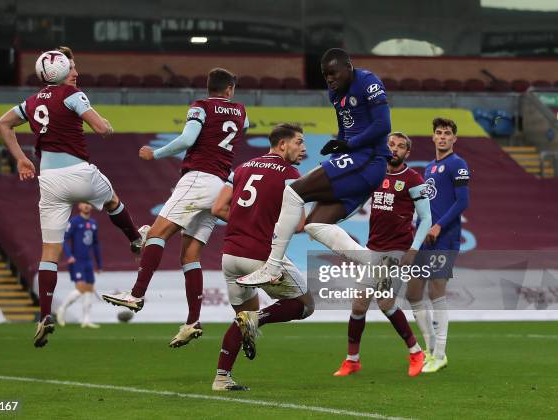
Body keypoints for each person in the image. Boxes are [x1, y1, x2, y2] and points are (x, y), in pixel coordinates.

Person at [0, 46, 147, 348]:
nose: (76, 73)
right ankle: (134, 239)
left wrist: (21, 159)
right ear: (63, 70)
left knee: (49, 253)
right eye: (72, 68)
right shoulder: (73, 95)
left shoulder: (32, 100)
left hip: (49, 181)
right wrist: (107, 126)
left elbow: (2, 123)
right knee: (114, 200)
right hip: (79, 173)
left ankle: (44, 316)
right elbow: (102, 128)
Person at [102, 68, 249, 348]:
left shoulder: (201, 106)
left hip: (197, 178)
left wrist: (154, 153)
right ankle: (193, 321)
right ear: (230, 89)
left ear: (209, 87)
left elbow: (187, 139)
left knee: (156, 234)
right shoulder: (242, 112)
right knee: (190, 255)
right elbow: (237, 131)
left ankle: (136, 294)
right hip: (220, 185)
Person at [237, 47, 392, 287]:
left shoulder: (368, 82)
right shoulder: (334, 93)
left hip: (368, 160)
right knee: (314, 224)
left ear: (348, 67)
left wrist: (349, 144)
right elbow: (345, 128)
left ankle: (272, 267)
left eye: (333, 73)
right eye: (325, 75)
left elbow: (383, 125)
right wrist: (340, 147)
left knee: (293, 192)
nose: (329, 79)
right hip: (357, 161)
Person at [210, 124, 313, 391]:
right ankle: (259, 318)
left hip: (230, 255)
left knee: (243, 315)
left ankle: (222, 378)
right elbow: (299, 224)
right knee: (305, 304)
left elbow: (217, 208)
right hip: (261, 255)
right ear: (282, 145)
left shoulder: (242, 168)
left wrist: (246, 223)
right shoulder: (291, 174)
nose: (304, 149)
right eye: (299, 142)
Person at [332, 132, 432, 378]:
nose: (394, 149)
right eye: (391, 145)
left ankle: (416, 352)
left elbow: (427, 218)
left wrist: (413, 249)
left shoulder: (413, 179)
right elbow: (357, 201)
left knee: (385, 302)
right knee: (358, 305)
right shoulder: (375, 174)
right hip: (374, 248)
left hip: (396, 250)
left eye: (400, 147)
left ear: (407, 153)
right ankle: (352, 360)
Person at [406, 118, 470, 373]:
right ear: (433, 138)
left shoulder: (458, 164)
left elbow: (462, 201)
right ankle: (430, 348)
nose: (442, 137)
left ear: (454, 139)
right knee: (412, 292)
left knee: (436, 291)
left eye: (447, 134)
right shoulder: (431, 167)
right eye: (438, 133)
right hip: (425, 237)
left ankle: (440, 354)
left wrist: (439, 225)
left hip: (445, 236)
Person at [56, 202, 103, 329]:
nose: (87, 206)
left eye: (89, 203)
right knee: (81, 288)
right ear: (79, 206)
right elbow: (64, 238)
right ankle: (62, 309)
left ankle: (86, 319)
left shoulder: (93, 223)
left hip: (88, 261)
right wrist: (69, 255)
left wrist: (99, 264)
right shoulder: (75, 221)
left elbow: (96, 244)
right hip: (77, 261)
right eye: (84, 203)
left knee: (89, 289)